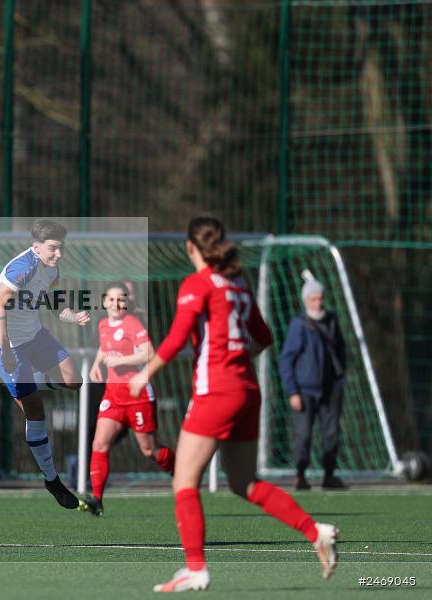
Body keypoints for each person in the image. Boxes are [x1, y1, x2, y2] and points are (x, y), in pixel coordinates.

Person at [130, 216, 338, 592]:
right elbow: (264, 336)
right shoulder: (239, 285)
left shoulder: (198, 284)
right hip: (247, 390)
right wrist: (236, 356)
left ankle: (196, 567)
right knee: (245, 483)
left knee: (184, 481)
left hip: (218, 391)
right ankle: (315, 531)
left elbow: (176, 338)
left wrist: (145, 374)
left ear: (190, 247)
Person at [0, 219, 91, 511]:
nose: (58, 254)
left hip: (35, 336)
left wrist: (73, 317)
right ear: (36, 247)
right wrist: (6, 348)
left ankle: (27, 384)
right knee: (35, 410)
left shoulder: (52, 269)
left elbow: (58, 306)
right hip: (6, 343)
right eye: (53, 248)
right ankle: (52, 479)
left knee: (74, 380)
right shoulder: (23, 268)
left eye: (61, 248)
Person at [85, 281, 175, 515]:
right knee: (99, 444)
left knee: (149, 450)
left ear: (127, 302)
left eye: (121, 299)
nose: (116, 304)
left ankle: (183, 474)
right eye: (112, 299)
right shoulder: (103, 324)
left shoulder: (132, 323)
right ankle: (97, 499)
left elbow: (150, 353)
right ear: (104, 302)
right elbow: (105, 348)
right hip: (113, 396)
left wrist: (120, 361)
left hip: (138, 395)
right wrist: (96, 365)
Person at [279, 276, 347, 490]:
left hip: (330, 388)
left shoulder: (332, 321)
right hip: (305, 389)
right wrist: (293, 391)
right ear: (306, 301)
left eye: (320, 298)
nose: (319, 303)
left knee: (331, 433)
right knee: (304, 435)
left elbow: (341, 351)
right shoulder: (299, 326)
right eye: (314, 299)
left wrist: (339, 378)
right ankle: (300, 475)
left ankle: (329, 474)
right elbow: (287, 359)